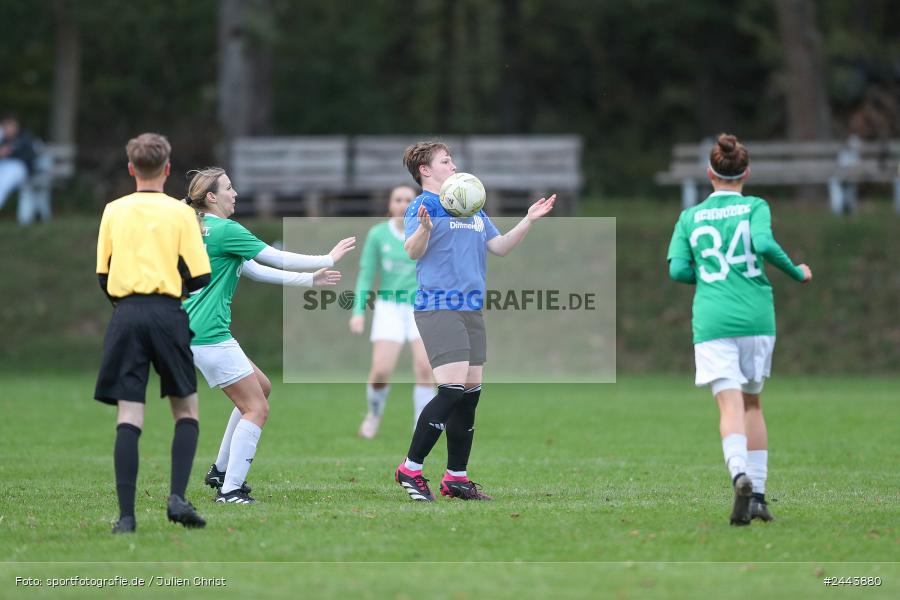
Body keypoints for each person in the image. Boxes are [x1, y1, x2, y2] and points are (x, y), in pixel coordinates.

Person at [181, 167, 354, 504]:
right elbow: (273, 256)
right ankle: (230, 491)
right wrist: (328, 258)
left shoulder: (197, 228)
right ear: (211, 197)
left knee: (261, 388)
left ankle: (220, 470)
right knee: (256, 408)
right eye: (228, 188)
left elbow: (255, 270)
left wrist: (309, 280)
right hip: (209, 334)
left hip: (193, 330)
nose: (235, 194)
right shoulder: (226, 230)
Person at [394, 140, 556, 502]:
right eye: (445, 161)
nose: (453, 166)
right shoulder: (424, 205)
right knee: (451, 390)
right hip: (439, 307)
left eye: (451, 160)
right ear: (425, 170)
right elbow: (412, 252)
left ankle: (456, 478)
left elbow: (500, 247)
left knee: (469, 396)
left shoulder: (471, 206)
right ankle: (410, 468)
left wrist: (528, 220)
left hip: (470, 309)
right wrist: (424, 229)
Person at [666, 133, 812, 525]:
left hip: (713, 321)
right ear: (745, 173)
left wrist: (708, 275)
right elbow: (763, 243)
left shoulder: (689, 217)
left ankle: (738, 475)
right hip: (756, 318)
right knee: (752, 403)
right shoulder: (755, 206)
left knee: (729, 404)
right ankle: (758, 495)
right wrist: (796, 271)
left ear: (708, 174)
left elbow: (677, 270)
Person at [94, 133, 212, 533]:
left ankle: (127, 517)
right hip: (167, 313)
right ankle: (177, 498)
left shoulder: (113, 211)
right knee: (186, 409)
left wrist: (127, 302)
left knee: (129, 414)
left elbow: (103, 274)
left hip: (126, 313)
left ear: (131, 168)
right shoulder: (180, 213)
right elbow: (200, 275)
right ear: (167, 168)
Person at [349, 185, 434, 439]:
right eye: (398, 199)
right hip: (389, 307)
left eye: (408, 200)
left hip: (421, 306)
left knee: (424, 367)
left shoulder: (426, 230)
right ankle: (374, 414)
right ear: (390, 204)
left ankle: (421, 425)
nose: (403, 204)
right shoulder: (378, 234)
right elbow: (366, 274)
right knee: (381, 371)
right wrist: (358, 311)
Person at [0, 115, 39, 223]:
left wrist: (9, 151)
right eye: (5, 126)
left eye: (10, 126)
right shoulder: (3, 139)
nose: (8, 129)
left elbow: (30, 157)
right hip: (4, 167)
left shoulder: (24, 138)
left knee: (3, 182)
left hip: (20, 169)